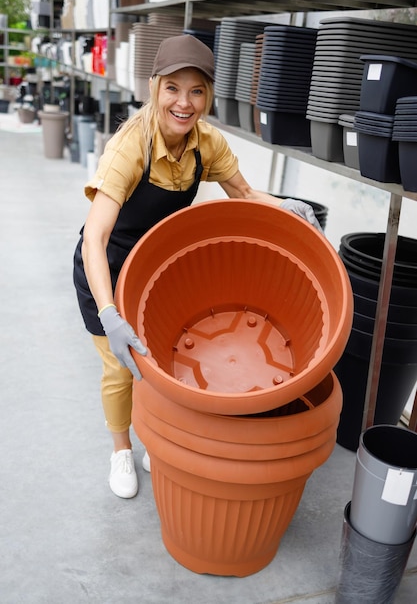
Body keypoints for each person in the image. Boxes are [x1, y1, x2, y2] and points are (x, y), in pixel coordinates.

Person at [73, 34, 321, 499]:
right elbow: (95, 236)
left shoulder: (206, 143)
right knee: (121, 366)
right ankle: (121, 448)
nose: (184, 103)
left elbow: (244, 194)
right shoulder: (131, 148)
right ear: (154, 88)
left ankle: (151, 431)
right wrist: (109, 313)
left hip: (151, 270)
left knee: (159, 361)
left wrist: (287, 205)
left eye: (197, 91)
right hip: (104, 268)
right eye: (173, 88)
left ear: (208, 95)